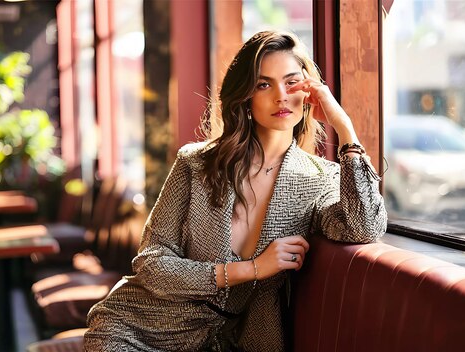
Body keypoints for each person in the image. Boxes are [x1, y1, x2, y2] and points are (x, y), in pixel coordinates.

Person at [84, 30, 387, 351]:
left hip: (225, 342)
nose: (281, 96)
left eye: (292, 82)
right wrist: (251, 269)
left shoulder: (320, 177)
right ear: (245, 95)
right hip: (137, 329)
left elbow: (363, 226)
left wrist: (345, 129)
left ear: (309, 92)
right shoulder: (197, 163)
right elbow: (151, 264)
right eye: (264, 84)